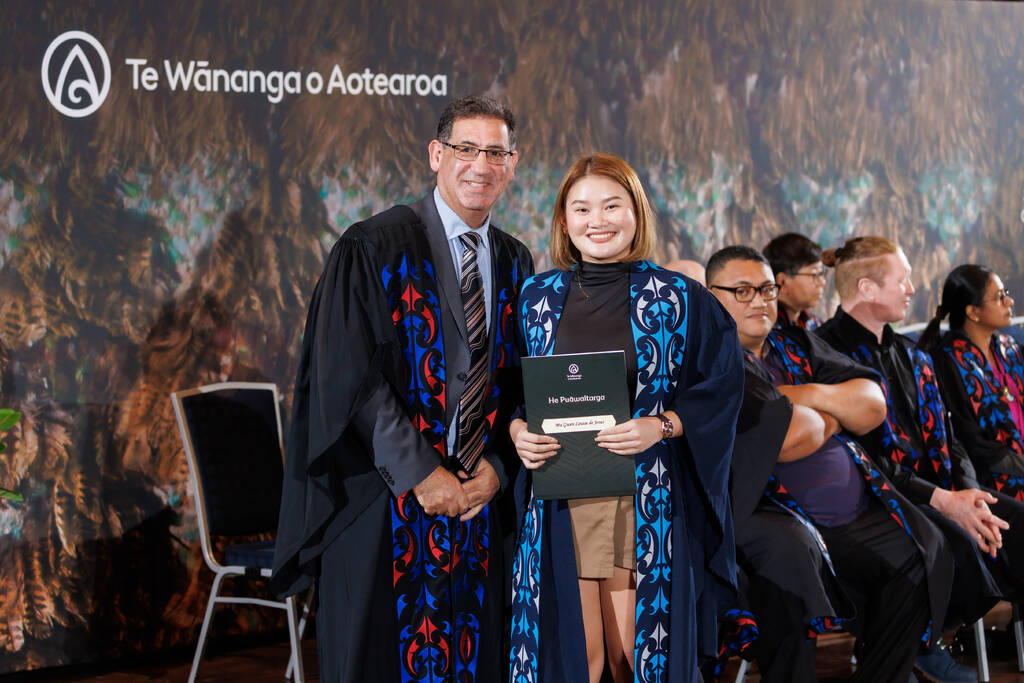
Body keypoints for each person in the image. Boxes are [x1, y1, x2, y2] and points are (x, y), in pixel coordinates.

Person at [271, 95, 534, 683]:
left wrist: (497, 466)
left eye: (496, 153)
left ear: (513, 165)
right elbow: (350, 378)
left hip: (477, 505)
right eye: (467, 149)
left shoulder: (516, 261)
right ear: (436, 155)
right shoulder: (372, 247)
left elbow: (521, 383)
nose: (481, 165)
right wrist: (421, 474)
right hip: (384, 498)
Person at [508, 154, 743, 683]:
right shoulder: (534, 298)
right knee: (577, 657)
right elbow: (513, 392)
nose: (599, 221)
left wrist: (661, 425)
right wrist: (518, 431)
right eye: (583, 208)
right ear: (564, 221)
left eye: (613, 205)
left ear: (636, 213)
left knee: (634, 659)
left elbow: (724, 386)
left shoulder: (679, 298)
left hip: (644, 495)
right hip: (562, 495)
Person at [706, 245, 945, 683]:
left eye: (766, 289)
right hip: (770, 511)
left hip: (846, 512)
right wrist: (835, 409)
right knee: (790, 556)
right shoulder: (711, 361)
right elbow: (793, 435)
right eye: (742, 291)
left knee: (918, 551)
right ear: (710, 296)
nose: (759, 300)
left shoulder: (793, 341)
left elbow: (873, 401)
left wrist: (812, 397)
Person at [816, 236, 1024, 681]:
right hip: (874, 495)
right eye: (903, 279)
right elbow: (861, 459)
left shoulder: (910, 352)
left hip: (939, 486)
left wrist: (966, 491)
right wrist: (944, 501)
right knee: (948, 537)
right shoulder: (824, 352)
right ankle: (920, 641)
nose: (914, 288)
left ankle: (934, 639)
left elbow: (951, 438)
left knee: (1015, 519)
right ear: (868, 289)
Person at [918, 265, 1024, 501]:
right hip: (992, 478)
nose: (1010, 302)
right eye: (999, 297)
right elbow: (972, 444)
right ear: (973, 312)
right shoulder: (947, 361)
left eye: (1006, 293)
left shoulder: (1010, 348)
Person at [762, 232, 826, 330]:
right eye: (814, 275)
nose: (822, 282)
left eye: (821, 274)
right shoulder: (765, 329)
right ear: (782, 282)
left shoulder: (815, 323)